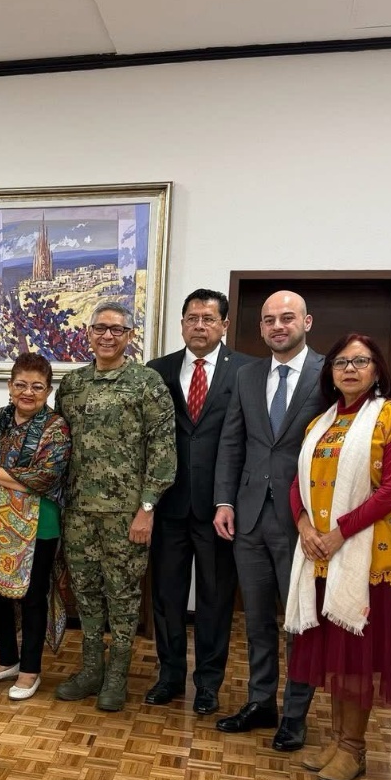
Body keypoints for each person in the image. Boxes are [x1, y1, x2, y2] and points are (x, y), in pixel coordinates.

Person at [286, 334, 391, 780]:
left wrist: (338, 532)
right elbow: (298, 485)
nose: (349, 369)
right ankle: (336, 737)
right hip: (321, 555)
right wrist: (306, 529)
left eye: (360, 361)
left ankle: (354, 747)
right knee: (334, 656)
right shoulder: (319, 424)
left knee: (355, 659)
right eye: (341, 362)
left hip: (366, 560)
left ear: (377, 369)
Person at [213, 290, 326, 751]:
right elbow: (232, 443)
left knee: (298, 623)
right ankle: (261, 702)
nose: (278, 326)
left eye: (287, 317)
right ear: (260, 328)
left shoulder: (329, 374)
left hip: (303, 522)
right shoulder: (246, 375)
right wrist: (225, 501)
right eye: (269, 320)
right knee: (257, 620)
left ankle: (295, 714)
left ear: (307, 321)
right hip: (250, 519)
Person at [54, 301, 175, 710]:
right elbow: (59, 446)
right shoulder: (71, 386)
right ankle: (91, 670)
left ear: (129, 336)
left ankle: (117, 677)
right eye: (100, 328)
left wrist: (147, 507)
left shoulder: (147, 383)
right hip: (78, 513)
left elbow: (163, 448)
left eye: (117, 330)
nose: (107, 336)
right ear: (88, 333)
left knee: (122, 596)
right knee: (85, 593)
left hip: (127, 514)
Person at [145, 290, 256, 714]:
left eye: (209, 319)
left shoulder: (247, 371)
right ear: (181, 323)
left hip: (219, 510)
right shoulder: (158, 371)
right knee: (167, 599)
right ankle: (169, 676)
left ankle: (208, 683)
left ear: (224, 325)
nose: (200, 326)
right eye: (192, 318)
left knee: (214, 600)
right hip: (169, 506)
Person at [0, 352, 71, 701]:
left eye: (37, 387)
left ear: (48, 390)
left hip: (39, 523)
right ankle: (7, 659)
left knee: (32, 595)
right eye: (21, 385)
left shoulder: (56, 426)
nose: (28, 392)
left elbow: (45, 476)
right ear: (10, 387)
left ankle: (30, 670)